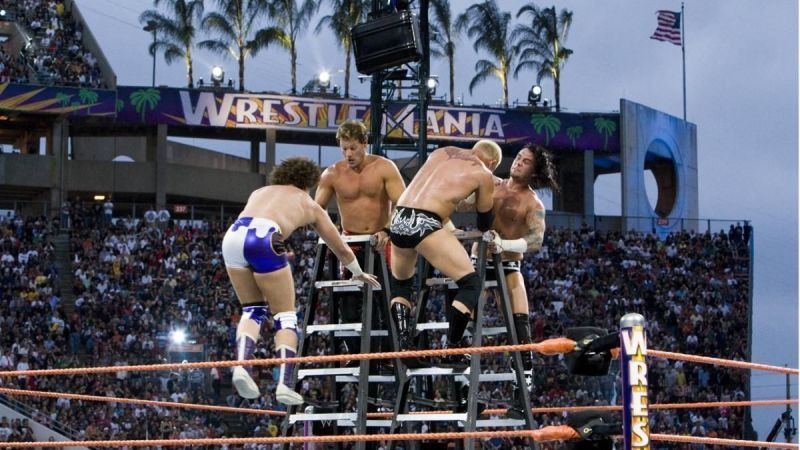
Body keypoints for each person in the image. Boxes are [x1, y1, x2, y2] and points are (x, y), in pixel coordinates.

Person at [222, 157, 380, 405]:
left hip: (233, 236)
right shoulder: (309, 203)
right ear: (308, 182)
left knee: (252, 309)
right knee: (285, 315)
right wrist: (358, 272)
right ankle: (285, 384)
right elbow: (341, 248)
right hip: (265, 235)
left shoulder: (260, 191)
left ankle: (242, 365)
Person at [388, 140, 501, 368]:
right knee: (471, 284)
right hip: (425, 221)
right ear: (491, 162)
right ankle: (452, 348)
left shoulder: (441, 152)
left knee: (401, 285)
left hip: (398, 217)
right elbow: (484, 220)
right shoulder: (483, 173)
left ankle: (404, 346)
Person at [478, 143, 559, 418]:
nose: (517, 162)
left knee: (520, 329)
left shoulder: (533, 204)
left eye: (525, 161)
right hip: (478, 265)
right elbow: (461, 200)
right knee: (465, 324)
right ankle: (464, 394)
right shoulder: (492, 185)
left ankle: (521, 399)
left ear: (533, 171)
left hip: (509, 264)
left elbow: (536, 240)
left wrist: (504, 243)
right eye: (518, 158)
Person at [315, 120, 405, 358]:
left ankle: (390, 355)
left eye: (353, 148)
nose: (348, 154)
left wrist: (387, 229)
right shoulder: (332, 173)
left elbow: (402, 202)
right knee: (349, 305)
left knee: (386, 299)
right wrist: (331, 232)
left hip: (381, 241)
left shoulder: (385, 167)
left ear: (365, 143)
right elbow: (315, 210)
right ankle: (356, 355)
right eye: (344, 148)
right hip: (351, 243)